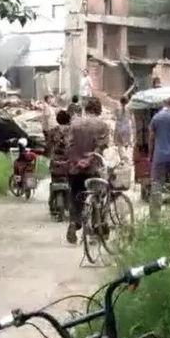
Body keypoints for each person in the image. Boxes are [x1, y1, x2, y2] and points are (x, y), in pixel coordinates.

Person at [66, 98, 109, 244]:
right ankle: (96, 227)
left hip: (75, 168)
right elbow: (100, 146)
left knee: (75, 196)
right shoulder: (102, 125)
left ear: (86, 109)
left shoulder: (75, 124)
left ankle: (74, 223)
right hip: (93, 169)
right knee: (97, 196)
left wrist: (78, 161)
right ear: (99, 110)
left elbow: (69, 146)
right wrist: (88, 160)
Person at [48, 110, 71, 214]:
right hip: (68, 161)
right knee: (70, 181)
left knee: (54, 180)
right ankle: (69, 203)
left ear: (57, 120)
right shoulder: (72, 131)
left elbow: (48, 146)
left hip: (55, 161)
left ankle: (52, 202)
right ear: (68, 120)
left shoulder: (52, 131)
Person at [114, 95, 133, 161]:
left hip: (119, 127)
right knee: (127, 142)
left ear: (120, 101)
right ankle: (126, 156)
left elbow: (114, 116)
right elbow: (131, 118)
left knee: (119, 144)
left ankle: (122, 158)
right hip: (127, 127)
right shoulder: (130, 109)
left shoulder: (117, 109)